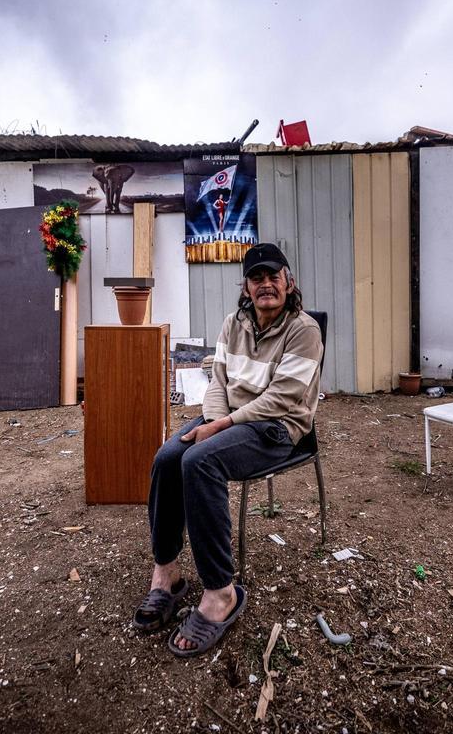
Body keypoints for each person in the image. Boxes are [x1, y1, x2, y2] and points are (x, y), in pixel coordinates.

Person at [132, 243, 324, 657]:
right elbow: (217, 382)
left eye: (274, 276)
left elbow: (284, 398)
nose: (266, 284)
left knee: (200, 462)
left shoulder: (304, 329)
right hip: (230, 420)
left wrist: (219, 427)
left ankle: (221, 594)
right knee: (168, 457)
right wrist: (212, 420)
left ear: (289, 283)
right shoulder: (232, 323)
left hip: (276, 429)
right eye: (257, 278)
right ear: (246, 286)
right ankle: (167, 573)